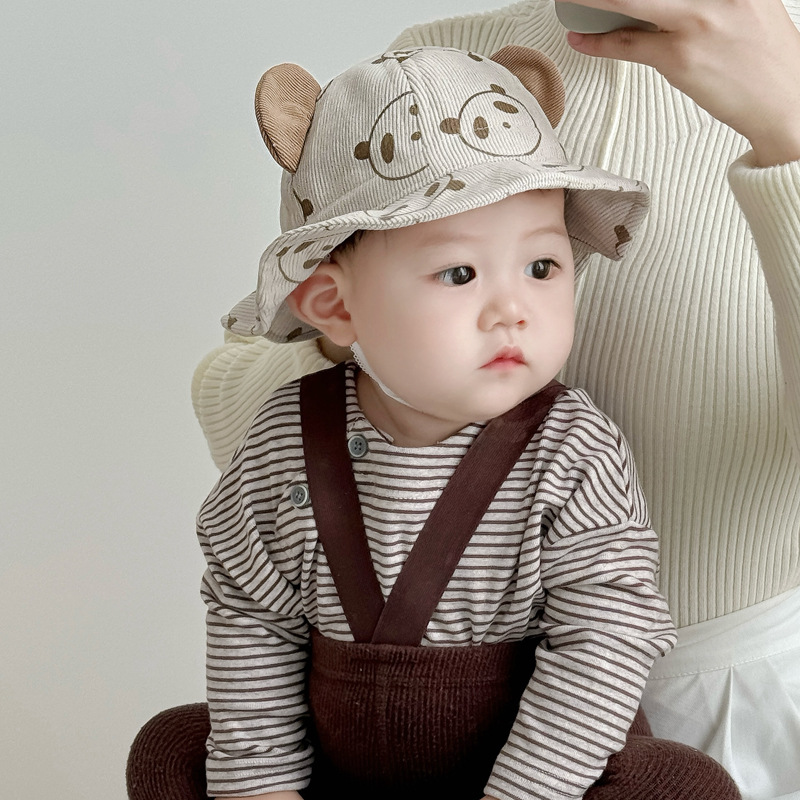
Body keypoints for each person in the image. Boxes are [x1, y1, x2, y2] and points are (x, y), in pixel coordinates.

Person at [192, 3, 800, 798]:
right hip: (347, 714)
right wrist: (378, 366)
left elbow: (610, 624)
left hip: (708, 698)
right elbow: (242, 397)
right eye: (461, 274)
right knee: (174, 752)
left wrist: (789, 120)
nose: (514, 309)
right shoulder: (434, 65)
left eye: (547, 268)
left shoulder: (575, 454)